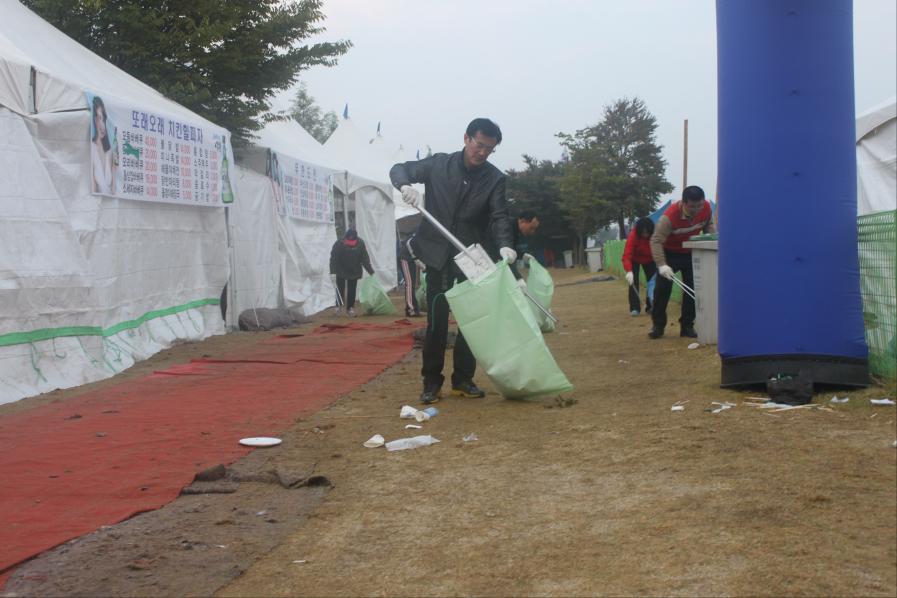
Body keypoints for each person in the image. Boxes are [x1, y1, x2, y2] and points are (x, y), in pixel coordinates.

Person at [390, 117, 515, 405]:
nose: (482, 152)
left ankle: (463, 380)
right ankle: (431, 382)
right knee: (437, 322)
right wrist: (405, 185)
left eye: (489, 149)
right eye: (479, 145)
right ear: (466, 138)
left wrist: (505, 245)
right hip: (437, 256)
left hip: (472, 257)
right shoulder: (439, 165)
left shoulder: (495, 179)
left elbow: (499, 216)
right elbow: (399, 168)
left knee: (472, 322)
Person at [648, 185, 716, 339]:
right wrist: (662, 265)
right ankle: (658, 326)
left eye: (699, 205)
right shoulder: (669, 217)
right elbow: (656, 241)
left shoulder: (706, 208)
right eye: (692, 206)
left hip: (690, 252)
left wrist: (713, 241)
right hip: (669, 254)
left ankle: (687, 326)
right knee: (662, 291)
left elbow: (709, 226)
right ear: (684, 203)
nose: (697, 210)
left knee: (693, 289)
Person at [329, 228, 374, 317]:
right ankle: (338, 307)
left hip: (354, 270)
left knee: (352, 290)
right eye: (349, 241)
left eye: (352, 242)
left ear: (356, 239)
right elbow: (333, 259)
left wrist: (371, 272)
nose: (351, 243)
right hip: (341, 269)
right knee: (340, 289)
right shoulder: (339, 244)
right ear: (345, 238)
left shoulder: (361, 244)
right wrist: (333, 272)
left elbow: (365, 259)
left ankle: (350, 308)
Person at [622, 217, 657, 316]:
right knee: (633, 281)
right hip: (634, 259)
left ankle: (651, 306)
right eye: (643, 233)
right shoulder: (633, 236)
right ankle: (635, 308)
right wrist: (629, 271)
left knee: (652, 282)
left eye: (647, 233)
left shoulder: (655, 235)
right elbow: (627, 255)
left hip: (650, 259)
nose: (645, 235)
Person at [90, 96, 116, 195]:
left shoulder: (109, 151)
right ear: (93, 120)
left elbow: (113, 192)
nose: (102, 125)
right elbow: (93, 190)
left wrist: (114, 170)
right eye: (98, 118)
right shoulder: (91, 149)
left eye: (103, 118)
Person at [399, 233, 422, 317]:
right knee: (409, 284)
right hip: (405, 259)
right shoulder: (418, 235)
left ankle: (412, 308)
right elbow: (409, 244)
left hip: (411, 260)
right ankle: (410, 309)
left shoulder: (420, 235)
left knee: (411, 284)